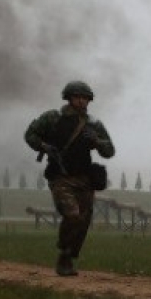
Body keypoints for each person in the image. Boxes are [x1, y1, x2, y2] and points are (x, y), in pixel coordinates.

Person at [24, 80, 115, 277]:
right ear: (69, 98)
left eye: (85, 98)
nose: (82, 101)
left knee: (83, 221)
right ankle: (64, 252)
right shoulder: (52, 119)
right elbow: (30, 134)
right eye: (77, 97)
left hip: (84, 179)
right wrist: (43, 146)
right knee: (72, 215)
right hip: (61, 177)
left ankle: (68, 256)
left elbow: (110, 151)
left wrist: (97, 141)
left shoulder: (93, 124)